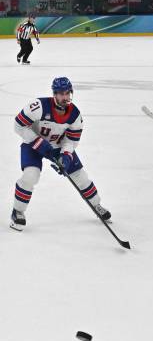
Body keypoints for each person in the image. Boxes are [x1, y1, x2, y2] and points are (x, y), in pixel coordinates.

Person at [11, 77, 111, 231]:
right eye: (61, 94)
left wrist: (66, 155)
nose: (65, 97)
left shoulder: (75, 114)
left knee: (79, 175)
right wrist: (37, 142)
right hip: (33, 144)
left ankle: (97, 205)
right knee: (31, 175)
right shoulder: (38, 106)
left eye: (67, 93)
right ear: (54, 94)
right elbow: (19, 126)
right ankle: (18, 211)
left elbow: (71, 141)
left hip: (57, 146)